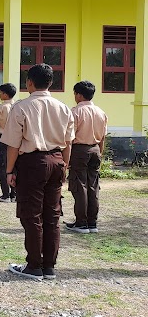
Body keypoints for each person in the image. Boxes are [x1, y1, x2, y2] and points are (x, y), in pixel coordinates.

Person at [1, 64, 74, 281]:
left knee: (31, 214)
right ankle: (49, 266)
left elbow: (13, 145)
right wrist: (65, 167)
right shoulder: (63, 108)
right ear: (50, 82)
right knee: (52, 215)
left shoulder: (22, 107)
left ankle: (34, 265)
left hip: (33, 162)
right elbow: (68, 143)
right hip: (57, 160)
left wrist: (9, 171)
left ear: (30, 82)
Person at [65, 80, 107, 234]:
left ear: (80, 95)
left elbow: (69, 137)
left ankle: (81, 223)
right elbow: (103, 137)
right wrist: (100, 152)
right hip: (95, 149)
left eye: (75, 93)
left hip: (79, 150)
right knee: (93, 186)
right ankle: (92, 222)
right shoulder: (100, 112)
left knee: (79, 185)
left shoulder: (75, 112)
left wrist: (66, 158)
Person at [0, 83, 17, 203]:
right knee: (14, 166)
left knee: (2, 166)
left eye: (1, 93)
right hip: (15, 139)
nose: (0, 95)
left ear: (5, 94)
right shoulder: (18, 107)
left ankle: (5, 194)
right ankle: (14, 194)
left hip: (2, 138)